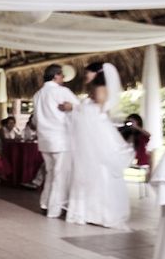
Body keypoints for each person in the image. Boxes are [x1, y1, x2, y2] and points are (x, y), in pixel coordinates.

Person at [66, 62, 134, 229]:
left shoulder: (100, 89)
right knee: (92, 168)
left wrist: (73, 107)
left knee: (97, 168)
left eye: (88, 73)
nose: (86, 76)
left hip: (97, 134)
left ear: (97, 73)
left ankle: (100, 212)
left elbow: (95, 113)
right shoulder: (96, 89)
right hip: (95, 132)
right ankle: (89, 211)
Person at [32, 64, 80, 218]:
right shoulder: (61, 91)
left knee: (51, 172)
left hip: (44, 139)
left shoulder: (37, 95)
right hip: (60, 138)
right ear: (56, 76)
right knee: (60, 175)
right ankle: (54, 209)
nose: (64, 78)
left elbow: (34, 119)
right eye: (62, 75)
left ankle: (45, 204)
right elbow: (81, 107)